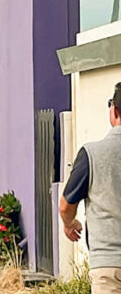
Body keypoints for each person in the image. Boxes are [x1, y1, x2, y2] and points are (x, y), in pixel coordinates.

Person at [60, 83, 121, 294]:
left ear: (114, 111)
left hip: (109, 264)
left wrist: (70, 224)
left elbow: (66, 204)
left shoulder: (91, 154)